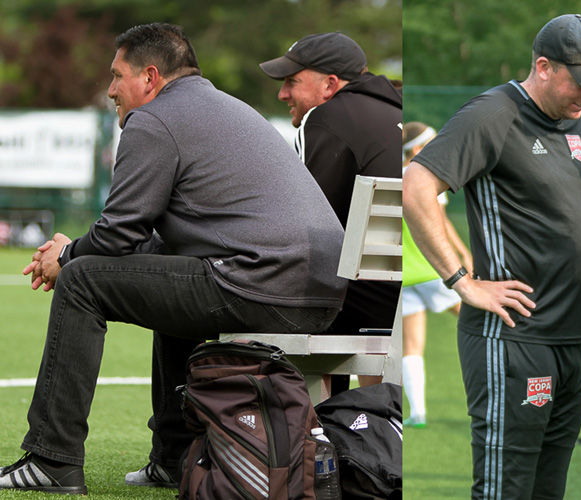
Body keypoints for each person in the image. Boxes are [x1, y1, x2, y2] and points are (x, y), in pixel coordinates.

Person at [0, 23, 347, 495]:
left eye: (116, 76)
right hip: (317, 293)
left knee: (80, 280)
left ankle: (51, 459)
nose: (110, 90)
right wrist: (73, 248)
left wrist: (67, 255)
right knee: (167, 272)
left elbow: (118, 233)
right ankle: (173, 457)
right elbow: (144, 243)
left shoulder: (155, 118)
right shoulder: (227, 108)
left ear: (149, 77)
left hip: (263, 284)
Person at [404, 14, 581, 499]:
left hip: (572, 339)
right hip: (516, 340)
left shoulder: (568, 118)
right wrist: (462, 281)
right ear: (543, 67)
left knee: (548, 489)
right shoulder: (493, 114)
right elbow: (416, 186)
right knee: (505, 489)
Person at [259, 32, 402, 389]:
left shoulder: (325, 118)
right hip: (400, 300)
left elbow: (305, 229)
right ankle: (363, 415)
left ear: (330, 85)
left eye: (292, 82)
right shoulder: (399, 109)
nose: (282, 94)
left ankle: (313, 420)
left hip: (355, 305)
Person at [401, 122, 472, 428]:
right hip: (433, 270)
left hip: (405, 276)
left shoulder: (395, 178)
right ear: (417, 149)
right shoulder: (423, 177)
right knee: (480, 321)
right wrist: (463, 253)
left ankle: (417, 413)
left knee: (411, 347)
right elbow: (440, 222)